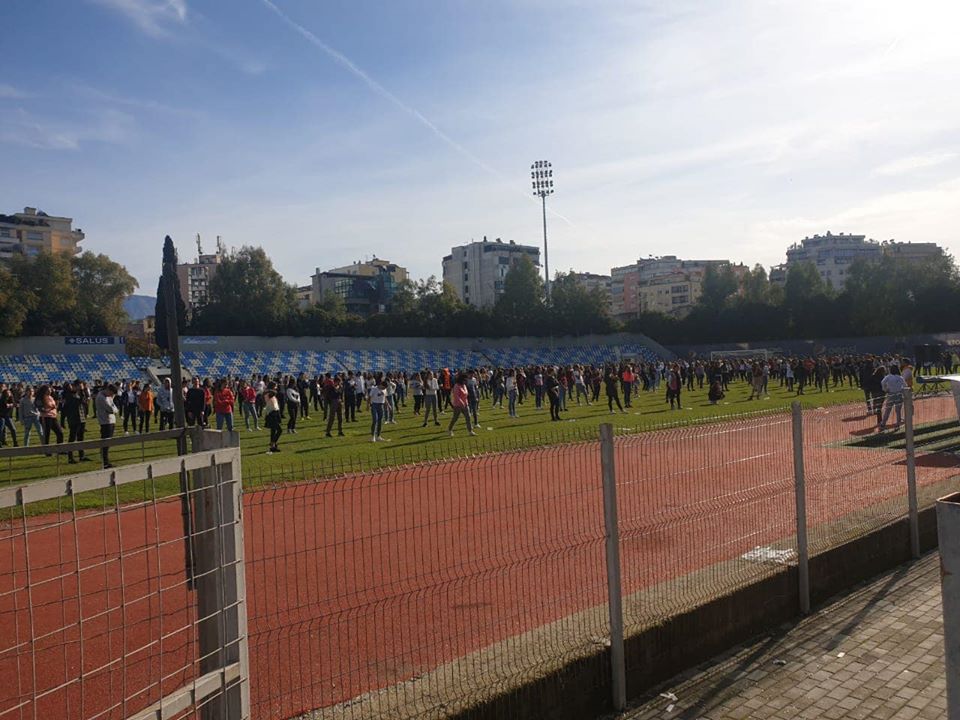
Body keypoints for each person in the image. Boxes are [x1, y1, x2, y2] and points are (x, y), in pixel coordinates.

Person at [62, 381, 90, 463]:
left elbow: (84, 402)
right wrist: (62, 420)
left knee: (81, 438)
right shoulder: (69, 395)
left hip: (81, 418)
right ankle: (70, 458)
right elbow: (77, 402)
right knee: (72, 438)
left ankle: (82, 455)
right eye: (79, 386)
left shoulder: (79, 394)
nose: (81, 388)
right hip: (74, 419)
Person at [95, 384, 118, 468]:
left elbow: (114, 407)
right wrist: (114, 410)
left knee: (109, 442)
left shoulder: (108, 397)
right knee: (106, 442)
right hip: (105, 422)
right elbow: (111, 409)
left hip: (111, 420)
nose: (112, 396)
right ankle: (105, 462)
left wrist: (114, 410)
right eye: (111, 393)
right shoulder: (101, 397)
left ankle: (106, 460)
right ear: (108, 390)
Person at [447, 372, 476, 437]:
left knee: (468, 417)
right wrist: (462, 403)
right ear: (461, 379)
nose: (466, 380)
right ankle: (449, 429)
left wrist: (466, 403)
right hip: (458, 405)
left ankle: (470, 431)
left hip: (465, 404)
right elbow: (456, 396)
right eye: (465, 379)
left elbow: (466, 395)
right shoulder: (456, 386)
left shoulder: (464, 385)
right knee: (455, 418)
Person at [879, 365, 907, 431]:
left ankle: (883, 424)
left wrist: (885, 389)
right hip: (899, 394)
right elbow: (905, 385)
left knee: (887, 410)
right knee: (898, 411)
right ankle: (897, 424)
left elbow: (882, 382)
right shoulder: (900, 378)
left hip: (890, 394)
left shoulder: (888, 377)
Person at [36, 385, 64, 451]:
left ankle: (60, 449)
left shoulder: (51, 397)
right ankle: (47, 451)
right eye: (48, 390)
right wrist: (49, 409)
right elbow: (41, 409)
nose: (50, 391)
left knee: (60, 433)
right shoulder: (41, 398)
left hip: (53, 417)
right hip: (45, 418)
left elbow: (54, 406)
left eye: (50, 390)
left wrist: (56, 406)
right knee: (47, 435)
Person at [263, 389, 282, 454]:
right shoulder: (268, 396)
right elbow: (274, 392)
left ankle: (273, 447)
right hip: (272, 414)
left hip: (275, 413)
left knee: (273, 431)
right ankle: (273, 443)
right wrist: (270, 390)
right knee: (279, 430)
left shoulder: (271, 397)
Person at [369, 378, 387, 442]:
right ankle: (373, 436)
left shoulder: (385, 390)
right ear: (381, 384)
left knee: (380, 421)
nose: (384, 389)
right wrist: (368, 405)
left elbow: (385, 397)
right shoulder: (374, 388)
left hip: (381, 405)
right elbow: (370, 396)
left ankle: (378, 436)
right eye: (383, 387)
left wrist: (388, 405)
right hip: (374, 405)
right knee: (375, 420)